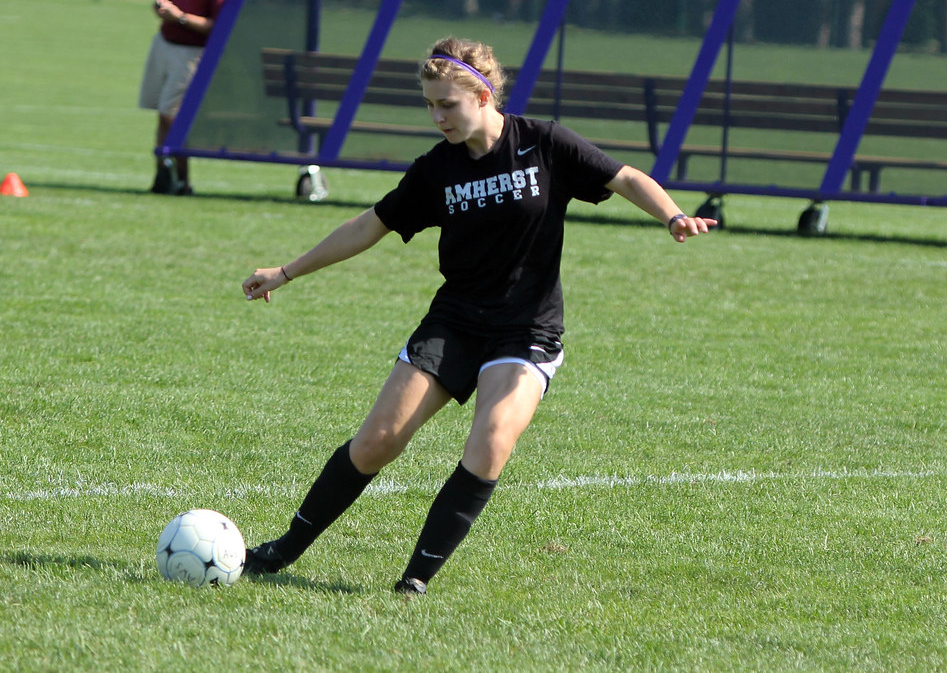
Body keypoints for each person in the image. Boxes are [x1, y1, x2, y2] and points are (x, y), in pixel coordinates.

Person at [241, 37, 717, 596]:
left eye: (448, 103)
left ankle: (414, 579)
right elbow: (369, 225)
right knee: (378, 440)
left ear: (484, 95)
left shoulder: (543, 143)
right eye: (430, 104)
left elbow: (625, 177)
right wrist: (288, 271)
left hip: (527, 330)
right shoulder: (435, 170)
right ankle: (280, 552)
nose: (438, 115)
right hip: (456, 322)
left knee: (490, 440)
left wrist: (673, 216)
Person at [138, 0, 230, 195]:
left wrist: (180, 17)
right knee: (163, 116)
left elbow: (220, 26)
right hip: (164, 44)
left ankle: (181, 180)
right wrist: (160, 6)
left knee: (171, 115)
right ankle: (163, 177)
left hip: (192, 52)